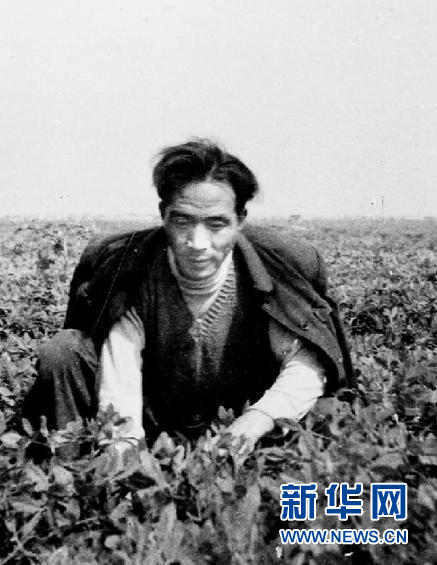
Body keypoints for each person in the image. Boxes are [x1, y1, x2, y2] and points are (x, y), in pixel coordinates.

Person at [23, 139, 354, 451]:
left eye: (216, 224)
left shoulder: (274, 269)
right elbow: (119, 373)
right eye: (182, 221)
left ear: (240, 220)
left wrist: (256, 420)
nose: (197, 243)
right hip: (154, 417)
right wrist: (123, 455)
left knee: (329, 412)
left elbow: (305, 364)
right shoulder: (132, 269)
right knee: (63, 351)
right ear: (163, 215)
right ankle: (69, 470)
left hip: (244, 416)